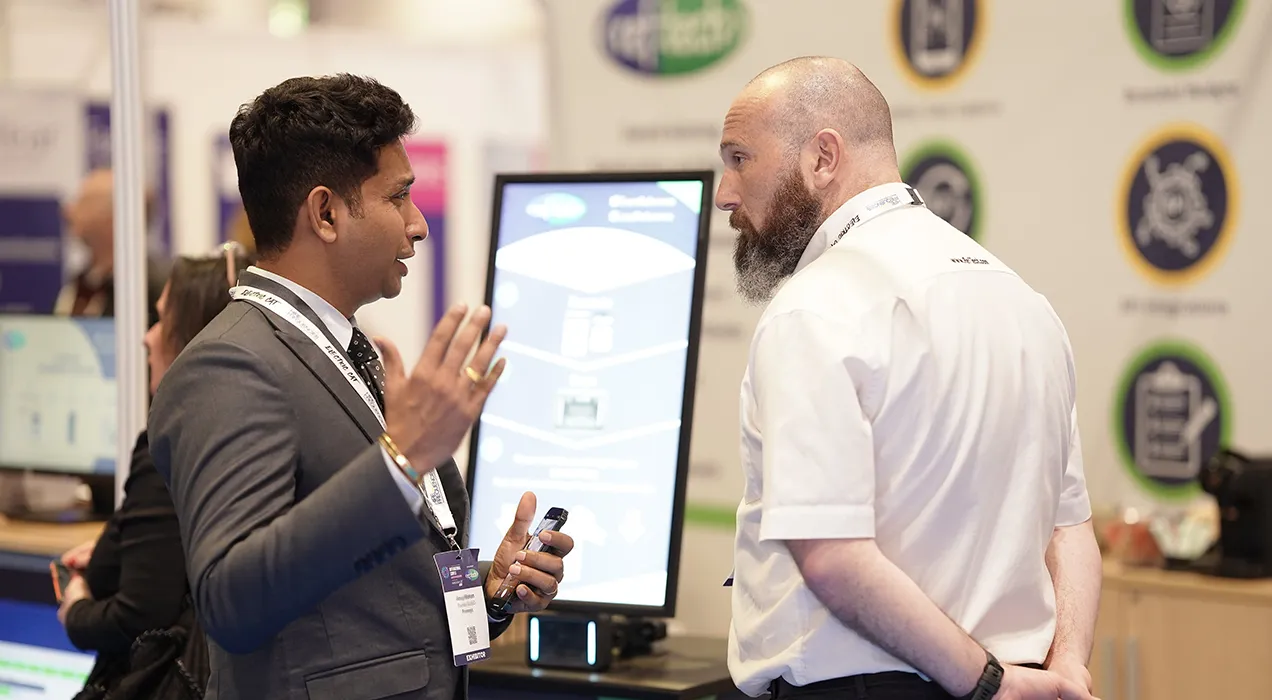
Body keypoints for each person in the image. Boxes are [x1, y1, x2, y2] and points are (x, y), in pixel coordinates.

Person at [147, 74, 574, 700]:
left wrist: (490, 592)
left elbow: (373, 602)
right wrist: (399, 463)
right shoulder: (230, 365)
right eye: (398, 198)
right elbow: (233, 600)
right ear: (325, 213)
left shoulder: (349, 351)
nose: (419, 224)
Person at [716, 57, 1102, 700]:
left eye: (739, 158)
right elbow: (1073, 530)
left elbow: (834, 559)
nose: (726, 192)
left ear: (822, 158)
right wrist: (1067, 670)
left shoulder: (813, 309)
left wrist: (988, 684)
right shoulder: (1022, 300)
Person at [58, 243, 256, 699]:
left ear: (191, 334)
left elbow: (139, 617)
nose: (148, 336)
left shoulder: (170, 446)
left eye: (163, 319)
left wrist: (75, 609)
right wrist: (125, 545)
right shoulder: (245, 433)